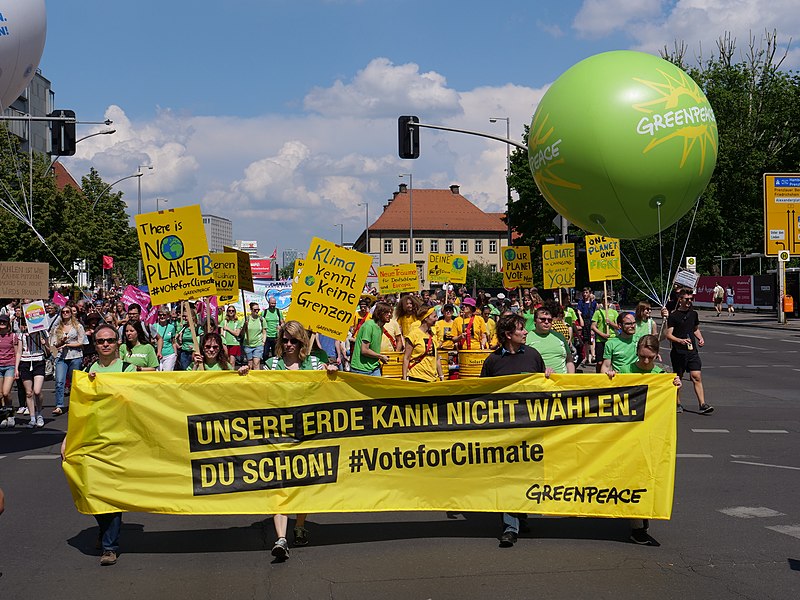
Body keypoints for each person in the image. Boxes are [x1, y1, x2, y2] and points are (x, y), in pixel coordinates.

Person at [61, 323, 137, 566]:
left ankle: (109, 546)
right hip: (92, 440)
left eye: (111, 340)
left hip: (120, 440)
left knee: (111, 493)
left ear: (118, 343)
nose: (106, 344)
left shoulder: (129, 369)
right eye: (101, 341)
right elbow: (78, 410)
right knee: (93, 489)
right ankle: (105, 529)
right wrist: (67, 439)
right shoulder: (87, 371)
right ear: (95, 345)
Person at [264, 320, 335, 560]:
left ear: (302, 341)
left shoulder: (314, 363)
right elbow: (253, 388)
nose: (288, 344)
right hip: (278, 433)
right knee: (280, 484)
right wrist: (244, 375)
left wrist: (332, 374)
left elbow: (328, 388)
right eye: (285, 340)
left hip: (307, 432)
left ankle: (300, 526)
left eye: (294, 340)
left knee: (303, 482)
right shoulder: (271, 365)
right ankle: (281, 538)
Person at [605, 334, 682, 545]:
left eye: (649, 357)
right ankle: (637, 527)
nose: (645, 361)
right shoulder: (627, 371)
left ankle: (640, 518)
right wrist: (611, 377)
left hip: (650, 435)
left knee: (647, 476)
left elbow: (673, 405)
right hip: (628, 435)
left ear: (657, 356)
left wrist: (675, 387)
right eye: (642, 357)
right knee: (633, 477)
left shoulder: (661, 375)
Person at [480, 313, 547, 547]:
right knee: (508, 477)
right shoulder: (492, 362)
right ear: (508, 335)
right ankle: (510, 527)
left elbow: (544, 388)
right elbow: (483, 396)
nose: (526, 332)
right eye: (521, 329)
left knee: (526, 476)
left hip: (530, 430)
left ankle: (520, 514)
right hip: (504, 432)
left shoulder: (533, 356)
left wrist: (548, 378)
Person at [665, 288, 713, 415]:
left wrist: (700, 338)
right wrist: (679, 341)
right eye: (687, 299)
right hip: (678, 352)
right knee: (678, 378)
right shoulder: (674, 315)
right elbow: (668, 334)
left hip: (692, 351)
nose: (689, 301)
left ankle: (702, 404)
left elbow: (695, 329)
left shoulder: (693, 314)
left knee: (696, 376)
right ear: (680, 299)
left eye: (691, 299)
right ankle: (677, 402)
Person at [50, 306, 86, 416]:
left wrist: (68, 344)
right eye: (63, 312)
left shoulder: (78, 326)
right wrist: (62, 342)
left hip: (75, 356)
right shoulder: (57, 328)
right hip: (62, 357)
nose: (65, 313)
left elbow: (82, 342)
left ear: (71, 313)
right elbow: (55, 344)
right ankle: (59, 405)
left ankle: (74, 404)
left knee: (73, 382)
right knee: (59, 381)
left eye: (67, 311)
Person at [17, 316, 48, 428]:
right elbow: (19, 352)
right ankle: (32, 417)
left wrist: (45, 344)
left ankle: (39, 413)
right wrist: (16, 368)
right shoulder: (21, 334)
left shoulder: (42, 332)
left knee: (37, 391)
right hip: (25, 362)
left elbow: (49, 349)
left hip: (38, 361)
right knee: (29, 392)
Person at [525, 307, 574, 374]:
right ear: (535, 321)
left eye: (549, 320)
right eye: (543, 319)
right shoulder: (526, 338)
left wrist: (571, 377)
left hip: (562, 381)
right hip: (539, 380)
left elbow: (569, 359)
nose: (546, 322)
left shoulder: (560, 337)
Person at [402, 306, 444, 382]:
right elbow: (406, 358)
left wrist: (441, 376)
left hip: (432, 378)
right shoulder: (413, 335)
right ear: (426, 318)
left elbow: (437, 358)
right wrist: (405, 378)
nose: (436, 319)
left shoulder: (433, 334)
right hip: (416, 376)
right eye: (434, 316)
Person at [350, 302, 391, 376]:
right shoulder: (369, 326)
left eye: (390, 312)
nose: (389, 315)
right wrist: (380, 356)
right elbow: (364, 350)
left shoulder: (380, 328)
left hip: (374, 367)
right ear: (379, 313)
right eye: (386, 312)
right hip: (361, 369)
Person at [0, 314, 20, 428]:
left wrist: (17, 368)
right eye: (0, 321)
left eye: (4, 322)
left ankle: (11, 414)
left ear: (8, 324)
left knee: (6, 393)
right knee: (0, 395)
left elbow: (17, 352)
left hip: (9, 366)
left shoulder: (13, 336)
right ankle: (3, 416)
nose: (2, 323)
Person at [591, 301, 619, 373]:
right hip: (600, 340)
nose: (606, 302)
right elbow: (593, 326)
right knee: (600, 362)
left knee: (611, 362)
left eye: (608, 300)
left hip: (612, 339)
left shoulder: (614, 312)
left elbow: (618, 326)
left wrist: (610, 322)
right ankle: (598, 376)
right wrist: (602, 334)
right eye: (605, 300)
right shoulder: (598, 312)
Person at [242, 302, 266, 370]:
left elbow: (264, 332)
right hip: (248, 344)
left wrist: (263, 342)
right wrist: (244, 325)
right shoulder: (246, 319)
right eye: (255, 309)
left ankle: (257, 379)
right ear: (251, 310)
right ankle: (250, 379)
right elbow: (242, 333)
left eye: (258, 309)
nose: (257, 311)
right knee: (250, 364)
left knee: (256, 362)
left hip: (258, 344)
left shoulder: (261, 319)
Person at [261, 296, 284, 361]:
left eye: (274, 304)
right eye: (272, 303)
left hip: (276, 337)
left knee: (275, 354)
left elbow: (282, 323)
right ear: (268, 303)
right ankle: (266, 368)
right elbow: (260, 323)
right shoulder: (264, 312)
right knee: (265, 354)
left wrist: (281, 326)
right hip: (267, 337)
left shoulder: (278, 312)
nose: (273, 305)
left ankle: (274, 369)